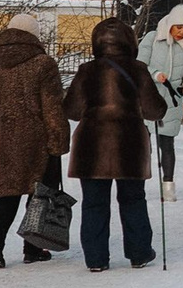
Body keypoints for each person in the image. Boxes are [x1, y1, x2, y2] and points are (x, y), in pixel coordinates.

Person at [63, 15, 161, 270]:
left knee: (94, 203)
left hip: (91, 147)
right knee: (133, 200)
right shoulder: (138, 69)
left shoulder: (87, 70)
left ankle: (96, 259)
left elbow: (71, 110)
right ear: (130, 42)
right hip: (130, 145)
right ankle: (139, 253)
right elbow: (154, 110)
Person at [0, 12, 69, 269]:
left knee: (5, 198)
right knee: (39, 196)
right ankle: (33, 248)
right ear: (34, 36)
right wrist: (59, 141)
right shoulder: (43, 64)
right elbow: (52, 107)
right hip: (37, 142)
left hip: (2, 143)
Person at [137, 4, 183, 202]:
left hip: (173, 100)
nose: (182, 32)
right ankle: (138, 186)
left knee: (167, 143)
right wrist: (155, 74)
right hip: (149, 96)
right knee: (143, 143)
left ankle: (168, 188)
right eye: (178, 27)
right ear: (171, 24)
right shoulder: (153, 38)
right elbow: (140, 65)